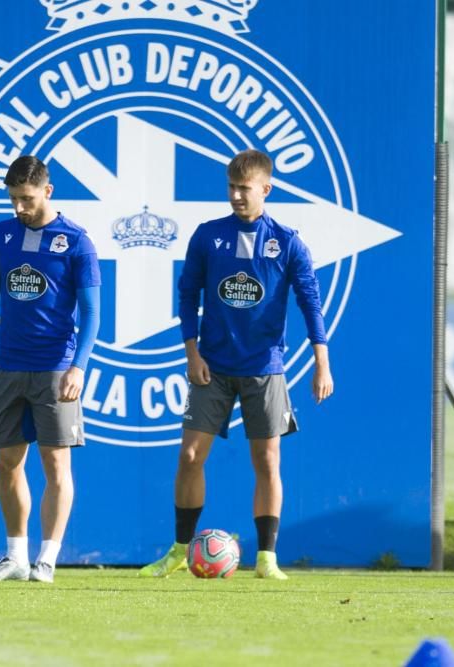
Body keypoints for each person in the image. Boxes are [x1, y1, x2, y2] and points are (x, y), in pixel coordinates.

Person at [140, 148, 334, 580]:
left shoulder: (287, 242)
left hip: (265, 368)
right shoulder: (209, 236)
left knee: (267, 461)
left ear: (267, 189)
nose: (236, 196)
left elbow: (310, 302)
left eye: (244, 189)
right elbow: (188, 295)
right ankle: (178, 551)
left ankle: (267, 558)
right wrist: (191, 352)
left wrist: (323, 362)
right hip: (213, 366)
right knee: (190, 456)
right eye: (231, 187)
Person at [0, 155, 101, 584]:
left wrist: (79, 367)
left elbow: (93, 312)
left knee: (56, 465)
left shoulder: (77, 241)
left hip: (56, 367)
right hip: (9, 364)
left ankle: (48, 559)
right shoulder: (2, 234)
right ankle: (16, 556)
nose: (19, 208)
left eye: (26, 198)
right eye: (13, 199)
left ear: (47, 191)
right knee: (6, 461)